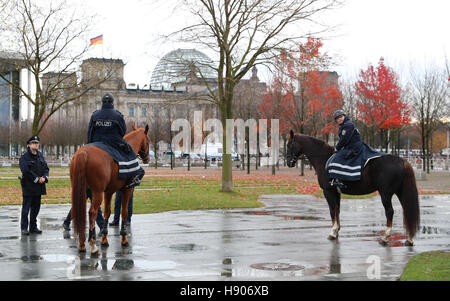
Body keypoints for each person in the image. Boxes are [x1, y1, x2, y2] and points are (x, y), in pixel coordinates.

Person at [87, 92, 144, 188]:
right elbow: (122, 132)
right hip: (113, 144)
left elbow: (90, 133)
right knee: (130, 153)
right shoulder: (118, 115)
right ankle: (131, 178)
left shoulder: (94, 115)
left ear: (102, 102)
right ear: (112, 102)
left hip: (96, 143)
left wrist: (90, 145)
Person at [19, 136, 49, 235]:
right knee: (26, 208)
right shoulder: (24, 157)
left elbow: (46, 168)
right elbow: (26, 171)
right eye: (34, 142)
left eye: (37, 142)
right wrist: (37, 179)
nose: (36, 144)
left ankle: (33, 227)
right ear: (29, 145)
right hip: (28, 186)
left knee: (36, 208)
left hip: (39, 187)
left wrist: (44, 177)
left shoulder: (40, 156)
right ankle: (24, 228)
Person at [329, 110, 363, 189]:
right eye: (337, 118)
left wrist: (337, 148)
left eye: (341, 117)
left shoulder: (348, 125)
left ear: (344, 116)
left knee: (337, 157)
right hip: (351, 146)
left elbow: (344, 139)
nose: (339, 119)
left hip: (353, 147)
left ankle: (339, 180)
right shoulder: (344, 125)